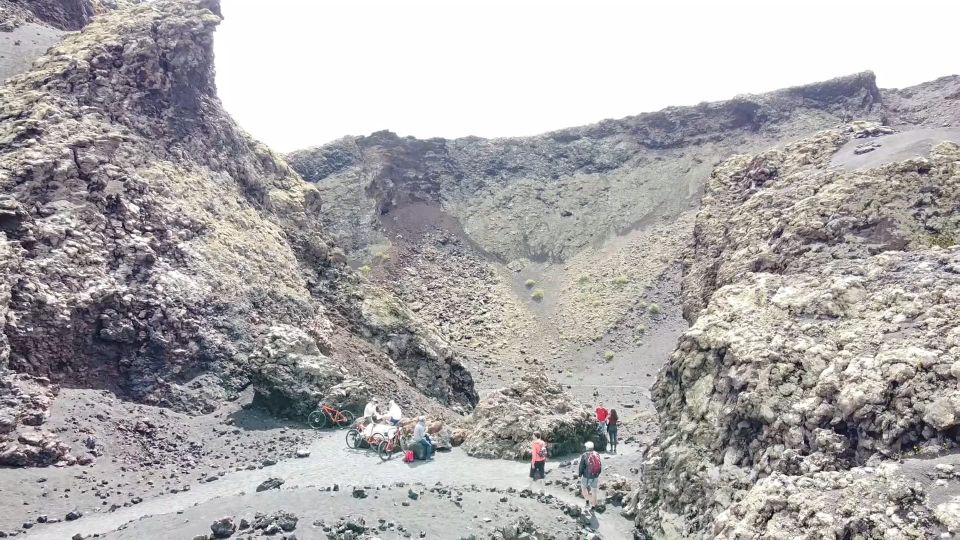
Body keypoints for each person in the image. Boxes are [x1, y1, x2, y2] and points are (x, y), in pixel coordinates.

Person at [578, 441, 602, 511]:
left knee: (583, 488)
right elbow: (600, 465)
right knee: (594, 490)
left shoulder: (585, 455)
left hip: (587, 476)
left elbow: (581, 466)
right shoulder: (597, 454)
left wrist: (580, 475)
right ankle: (594, 506)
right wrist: (597, 474)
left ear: (587, 448)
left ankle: (587, 502)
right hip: (595, 475)